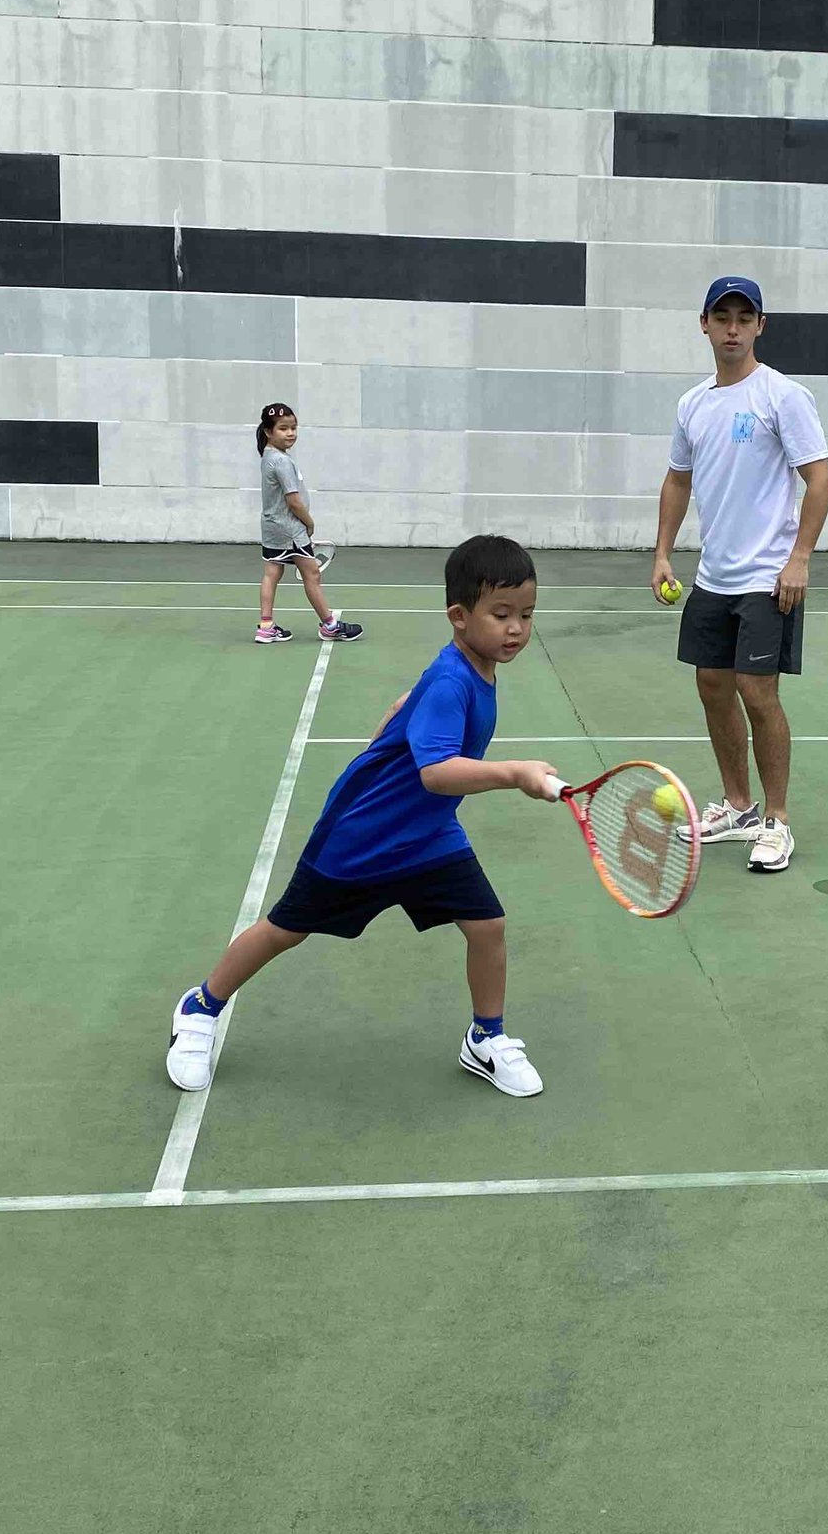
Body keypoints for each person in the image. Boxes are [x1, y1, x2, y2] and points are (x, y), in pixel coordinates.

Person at [167, 534, 559, 1099]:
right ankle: (201, 1007)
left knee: (487, 926)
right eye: (501, 614)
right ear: (458, 615)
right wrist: (513, 773)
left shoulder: (464, 668)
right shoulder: (455, 679)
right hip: (364, 835)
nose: (516, 628)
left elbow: (419, 706)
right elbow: (436, 773)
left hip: (427, 835)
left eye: (526, 614)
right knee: (285, 930)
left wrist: (404, 706)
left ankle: (485, 1037)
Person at [649, 276, 828, 875]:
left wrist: (799, 557)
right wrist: (662, 554)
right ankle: (738, 805)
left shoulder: (783, 396)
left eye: (743, 318)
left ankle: (777, 821)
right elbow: (678, 479)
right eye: (721, 317)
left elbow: (820, 479)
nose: (732, 328)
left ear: (760, 326)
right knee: (711, 686)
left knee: (759, 692)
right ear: (704, 324)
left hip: (766, 577)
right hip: (714, 576)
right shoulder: (694, 404)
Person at [254, 402, 361, 645]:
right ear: (269, 432)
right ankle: (330, 625)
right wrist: (309, 523)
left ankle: (266, 627)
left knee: (272, 573)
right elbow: (294, 501)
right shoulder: (281, 461)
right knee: (311, 573)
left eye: (293, 427)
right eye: (283, 428)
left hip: (271, 527)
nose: (290, 433)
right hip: (290, 530)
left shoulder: (268, 456)